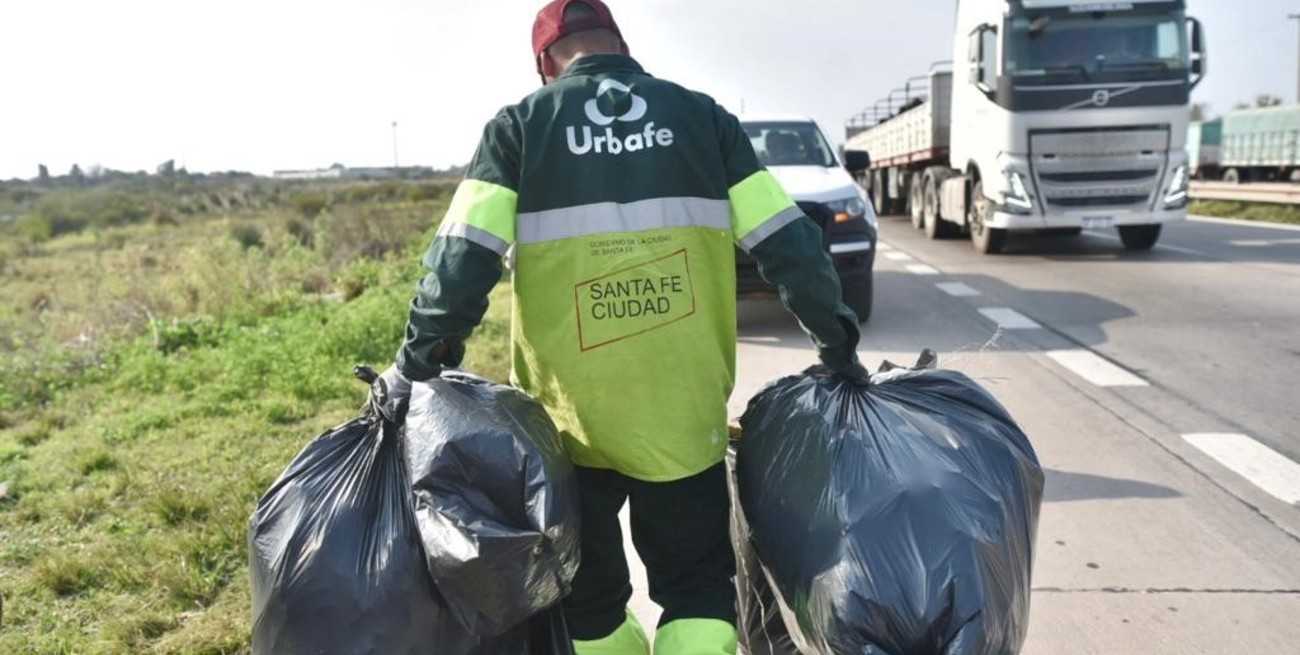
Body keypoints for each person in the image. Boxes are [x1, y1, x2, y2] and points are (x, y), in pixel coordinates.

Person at [376, 1, 866, 653]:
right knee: (696, 586)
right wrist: (836, 343)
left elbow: (462, 261)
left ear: (546, 64)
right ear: (620, 47)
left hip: (567, 418)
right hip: (682, 407)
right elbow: (790, 244)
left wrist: (418, 366)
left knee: (587, 597)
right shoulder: (703, 119)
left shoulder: (520, 127)